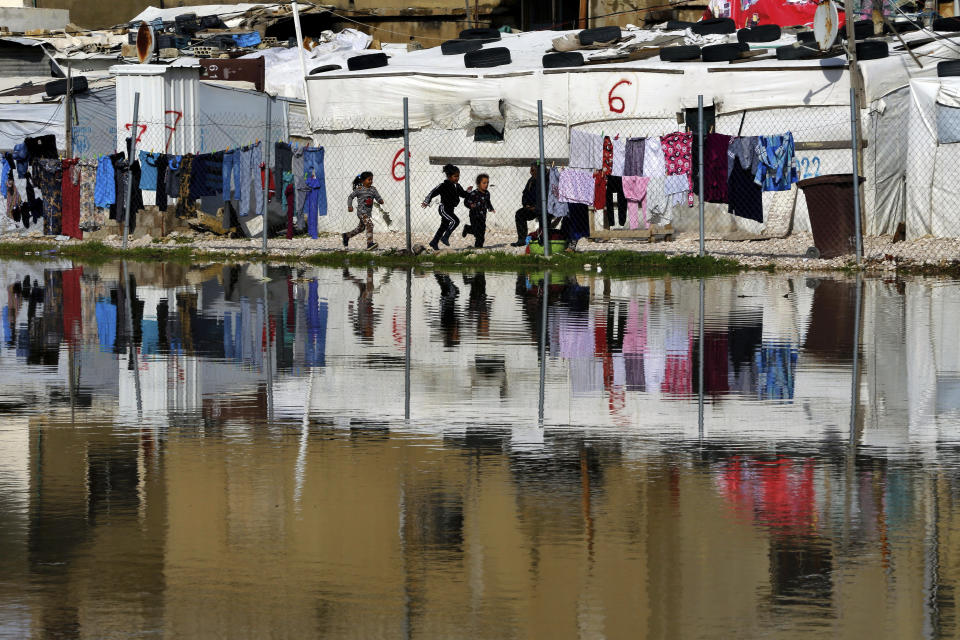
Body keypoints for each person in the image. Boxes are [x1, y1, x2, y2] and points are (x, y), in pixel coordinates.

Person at [422, 163, 471, 251]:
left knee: (444, 226)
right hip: (444, 208)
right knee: (455, 221)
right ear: (449, 176)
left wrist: (468, 192)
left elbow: (463, 194)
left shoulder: (457, 186)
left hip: (450, 209)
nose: (457, 178)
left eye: (458, 176)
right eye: (455, 176)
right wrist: (426, 201)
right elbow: (433, 192)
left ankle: (434, 242)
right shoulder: (443, 185)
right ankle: (445, 237)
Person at [342, 171, 383, 250]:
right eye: (369, 180)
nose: (370, 181)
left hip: (367, 213)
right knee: (369, 224)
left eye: (371, 180)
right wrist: (350, 206)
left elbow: (377, 196)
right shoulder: (359, 189)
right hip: (361, 212)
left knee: (361, 228)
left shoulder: (373, 189)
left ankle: (346, 236)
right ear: (362, 181)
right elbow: (350, 197)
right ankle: (370, 244)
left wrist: (380, 200)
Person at [512, 162, 542, 247]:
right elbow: (525, 194)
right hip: (531, 208)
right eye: (530, 170)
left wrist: (536, 207)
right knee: (519, 214)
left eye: (533, 170)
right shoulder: (531, 180)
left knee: (543, 216)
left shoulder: (544, 181)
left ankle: (542, 239)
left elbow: (546, 198)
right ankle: (522, 240)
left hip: (542, 208)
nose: (531, 172)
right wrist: (526, 205)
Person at [461, 173, 495, 248]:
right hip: (474, 215)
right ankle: (468, 229)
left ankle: (479, 246)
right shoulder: (474, 193)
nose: (486, 184)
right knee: (477, 231)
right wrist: (470, 205)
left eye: (487, 183)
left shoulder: (487, 193)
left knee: (482, 231)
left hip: (482, 216)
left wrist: (490, 208)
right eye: (484, 183)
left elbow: (488, 202)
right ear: (478, 183)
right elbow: (466, 202)